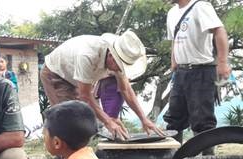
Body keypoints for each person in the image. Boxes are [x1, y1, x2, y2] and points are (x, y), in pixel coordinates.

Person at [40, 30, 164, 140]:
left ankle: (77, 155)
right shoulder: (88, 55)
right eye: (121, 67)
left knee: (80, 119)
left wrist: (143, 119)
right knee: (67, 120)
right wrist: (108, 121)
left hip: (75, 76)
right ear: (111, 57)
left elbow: (125, 89)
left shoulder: (118, 57)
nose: (121, 70)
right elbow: (85, 95)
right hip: (56, 74)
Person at [163, 0, 230, 151]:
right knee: (174, 118)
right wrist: (174, 62)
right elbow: (175, 39)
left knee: (202, 121)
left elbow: (220, 31)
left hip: (202, 71)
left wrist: (223, 62)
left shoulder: (200, 7)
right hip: (181, 72)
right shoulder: (172, 12)